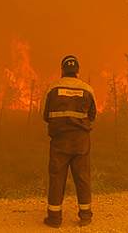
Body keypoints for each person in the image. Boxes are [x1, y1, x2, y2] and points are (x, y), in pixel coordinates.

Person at [42, 55, 97, 228]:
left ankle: (54, 219)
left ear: (62, 70)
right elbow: (92, 115)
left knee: (57, 178)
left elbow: (45, 115)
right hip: (81, 142)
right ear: (77, 71)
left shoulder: (53, 88)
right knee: (82, 178)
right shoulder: (87, 89)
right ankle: (85, 216)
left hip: (60, 141)